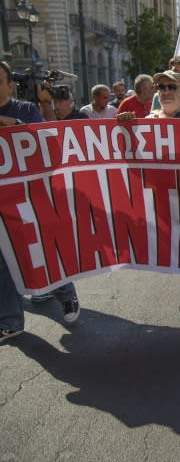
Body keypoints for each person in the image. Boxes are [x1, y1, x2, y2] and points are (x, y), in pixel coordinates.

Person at [118, 70, 180, 325]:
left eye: (172, 87)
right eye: (162, 87)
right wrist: (125, 126)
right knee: (179, 251)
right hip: (160, 200)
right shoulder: (147, 122)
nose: (166, 91)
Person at [0, 61, 81, 342]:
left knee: (40, 252)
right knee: (2, 261)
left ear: (10, 85)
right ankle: (10, 320)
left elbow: (46, 144)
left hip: (26, 200)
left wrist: (15, 126)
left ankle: (66, 295)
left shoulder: (24, 110)